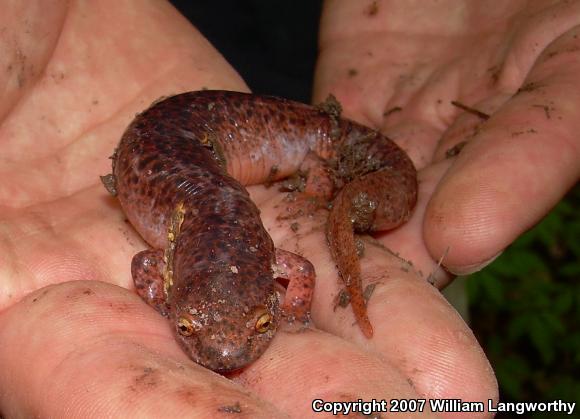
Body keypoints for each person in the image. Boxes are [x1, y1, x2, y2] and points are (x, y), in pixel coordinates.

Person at [0, 0, 577, 417]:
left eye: (258, 326)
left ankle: (331, 160)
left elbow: (287, 273)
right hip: (189, 123)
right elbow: (162, 272)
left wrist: (291, 313)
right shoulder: (175, 263)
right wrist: (276, 313)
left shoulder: (188, 261)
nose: (224, 353)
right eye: (188, 328)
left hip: (235, 112)